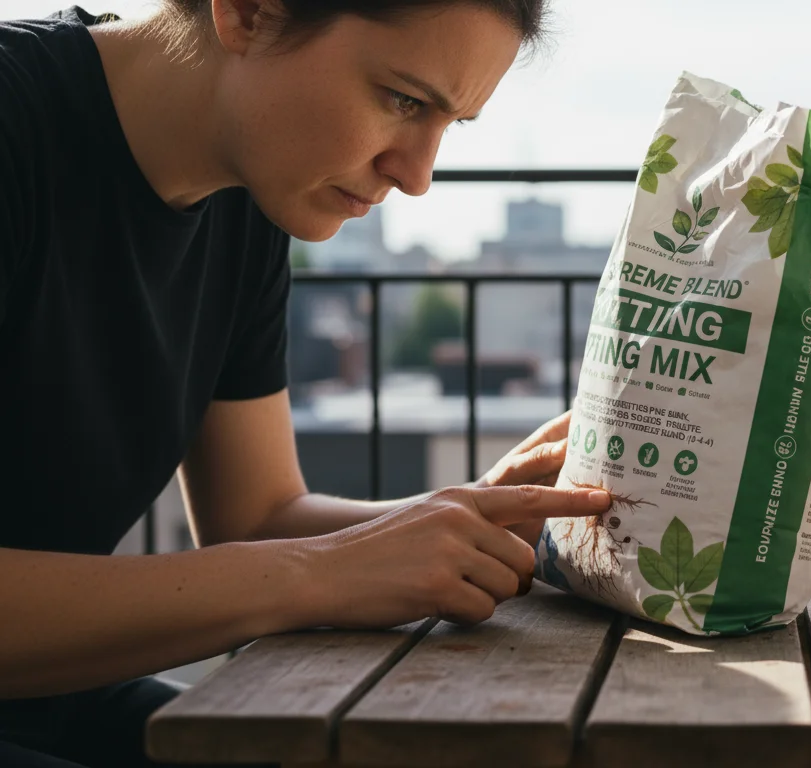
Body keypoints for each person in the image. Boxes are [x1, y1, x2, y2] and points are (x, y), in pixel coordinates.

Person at [0, 1, 606, 765]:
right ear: (249, 13)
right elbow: (286, 563)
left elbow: (258, 517)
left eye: (451, 124)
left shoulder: (250, 193)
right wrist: (317, 574)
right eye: (403, 100)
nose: (418, 175)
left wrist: (467, 521)